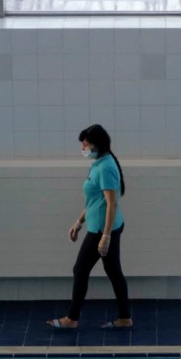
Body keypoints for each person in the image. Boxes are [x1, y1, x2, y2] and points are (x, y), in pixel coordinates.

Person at [48, 124, 131, 331]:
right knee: (113, 271)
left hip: (101, 230)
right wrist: (79, 222)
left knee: (81, 269)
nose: (82, 148)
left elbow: (112, 204)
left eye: (85, 144)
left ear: (96, 144)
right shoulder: (99, 163)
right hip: (99, 226)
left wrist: (106, 236)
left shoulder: (105, 168)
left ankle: (72, 319)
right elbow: (94, 200)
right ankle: (125, 318)